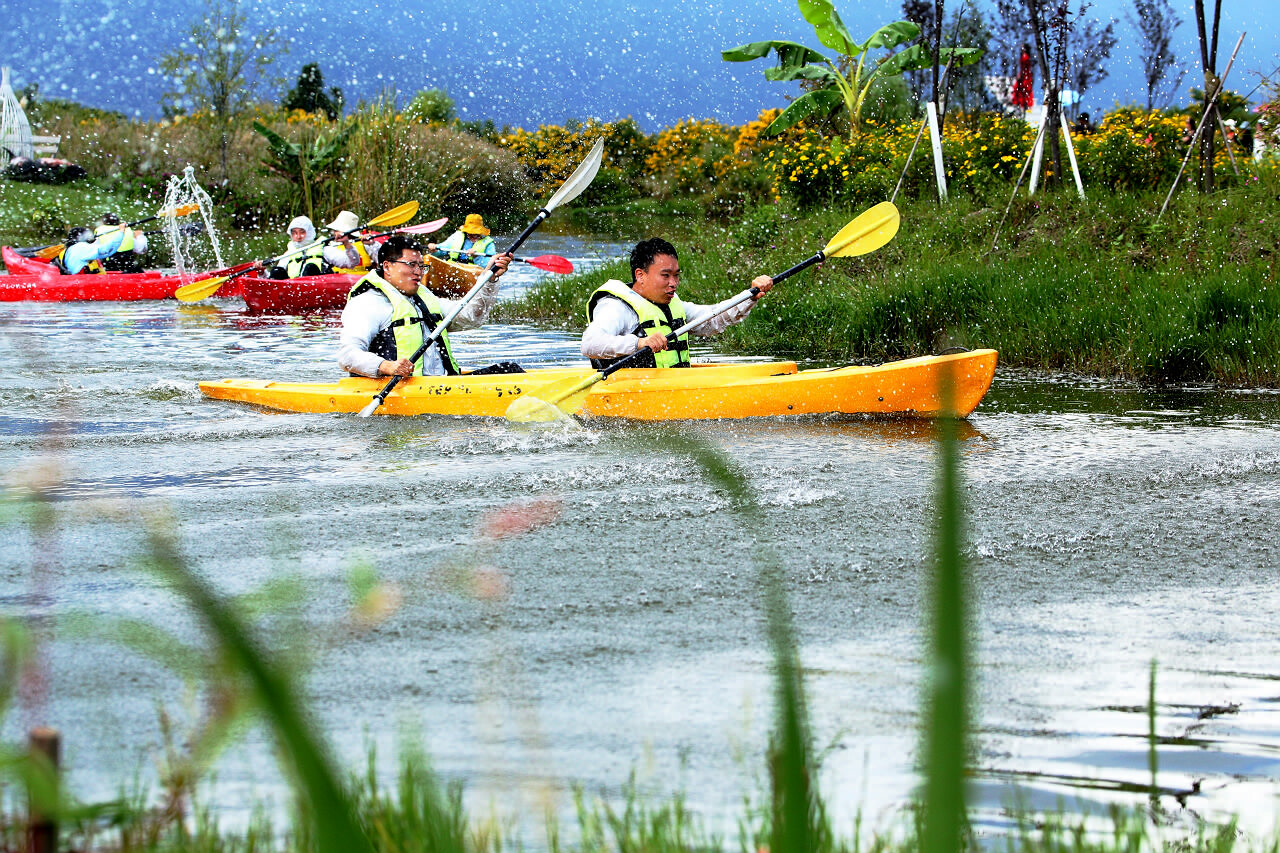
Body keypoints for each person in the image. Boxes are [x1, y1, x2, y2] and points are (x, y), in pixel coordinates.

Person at [337, 234, 517, 379]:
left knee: (510, 370)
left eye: (421, 265)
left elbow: (471, 318)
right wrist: (387, 366)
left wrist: (489, 278)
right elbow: (347, 355)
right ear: (387, 267)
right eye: (411, 265)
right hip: (399, 390)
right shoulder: (367, 303)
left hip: (439, 384)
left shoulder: (423, 297)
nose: (419, 271)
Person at [580, 238, 773, 370]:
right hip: (627, 394)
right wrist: (640, 343)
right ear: (640, 275)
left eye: (676, 276)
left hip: (672, 389)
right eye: (665, 275)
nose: (674, 283)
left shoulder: (672, 303)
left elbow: (713, 319)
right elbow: (590, 344)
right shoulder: (616, 307)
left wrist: (751, 296)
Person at [429, 214, 496, 267]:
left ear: (481, 233)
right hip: (453, 267)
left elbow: (489, 266)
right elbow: (442, 251)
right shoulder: (457, 236)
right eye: (470, 234)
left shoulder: (489, 244)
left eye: (476, 234)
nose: (473, 237)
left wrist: (476, 257)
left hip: (473, 272)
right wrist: (434, 250)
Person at [51, 227, 123, 275]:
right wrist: (121, 232)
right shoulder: (81, 247)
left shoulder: (71, 248)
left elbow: (105, 252)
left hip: (79, 282)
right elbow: (106, 250)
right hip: (85, 284)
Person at [323, 210, 375, 274]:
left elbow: (383, 259)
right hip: (340, 282)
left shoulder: (365, 243)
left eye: (338, 230)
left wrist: (373, 244)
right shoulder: (330, 247)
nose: (336, 233)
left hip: (364, 281)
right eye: (335, 230)